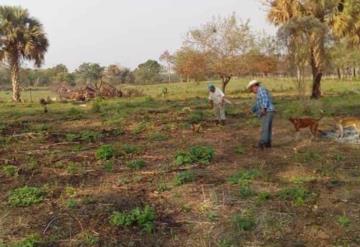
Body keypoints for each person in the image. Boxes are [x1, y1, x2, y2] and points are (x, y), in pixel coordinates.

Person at [247, 80, 275, 149]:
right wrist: (252, 110)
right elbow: (257, 104)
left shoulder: (261, 90)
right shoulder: (259, 92)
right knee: (268, 128)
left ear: (254, 86)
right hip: (270, 111)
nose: (252, 92)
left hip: (267, 111)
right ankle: (268, 143)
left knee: (264, 128)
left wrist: (264, 109)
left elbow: (265, 99)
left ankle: (262, 143)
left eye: (251, 89)